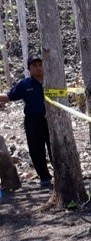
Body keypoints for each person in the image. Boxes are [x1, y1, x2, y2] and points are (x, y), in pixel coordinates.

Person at [0, 57, 53, 188]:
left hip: (53, 121)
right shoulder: (24, 84)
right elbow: (9, 97)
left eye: (41, 64)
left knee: (55, 147)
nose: (38, 67)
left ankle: (62, 174)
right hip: (33, 121)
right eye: (35, 65)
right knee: (36, 149)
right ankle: (44, 178)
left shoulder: (53, 80)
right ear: (29, 69)